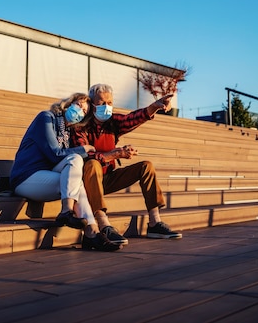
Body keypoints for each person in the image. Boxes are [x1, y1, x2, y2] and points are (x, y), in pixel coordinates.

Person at [70, 83, 183, 245]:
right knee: (93, 163)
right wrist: (116, 154)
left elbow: (132, 119)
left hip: (108, 178)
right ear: (92, 105)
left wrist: (154, 107)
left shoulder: (112, 122)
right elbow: (85, 155)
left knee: (146, 166)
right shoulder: (81, 125)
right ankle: (103, 224)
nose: (106, 107)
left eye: (109, 103)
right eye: (102, 103)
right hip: (88, 181)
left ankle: (154, 222)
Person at [9, 92, 120, 252]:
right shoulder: (46, 118)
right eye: (78, 105)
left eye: (83, 111)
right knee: (75, 160)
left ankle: (90, 229)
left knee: (75, 169)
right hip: (26, 177)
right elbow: (54, 154)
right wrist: (83, 149)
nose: (79, 111)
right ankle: (78, 222)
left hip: (46, 175)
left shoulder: (68, 134)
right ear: (68, 103)